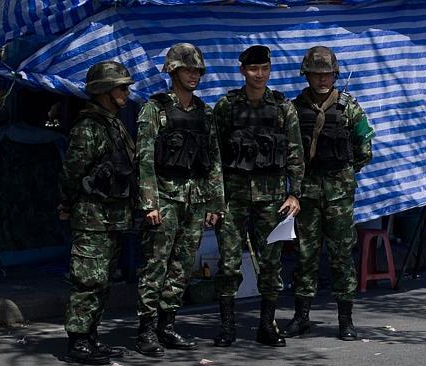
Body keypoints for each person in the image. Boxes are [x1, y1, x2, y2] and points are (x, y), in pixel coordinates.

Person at [134, 43, 225, 357]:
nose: (194, 75)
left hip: (195, 200)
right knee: (155, 265)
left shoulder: (204, 112)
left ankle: (167, 325)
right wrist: (150, 203)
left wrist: (215, 203)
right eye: (188, 69)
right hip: (165, 198)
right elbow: (144, 160)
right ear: (173, 71)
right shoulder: (154, 109)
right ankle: (146, 330)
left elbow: (213, 161)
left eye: (197, 70)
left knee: (182, 266)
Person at [212, 45, 305, 348]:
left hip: (272, 197)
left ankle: (267, 326)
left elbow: (295, 153)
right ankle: (227, 327)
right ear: (242, 70)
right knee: (228, 263)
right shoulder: (227, 106)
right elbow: (215, 155)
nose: (259, 75)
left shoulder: (282, 107)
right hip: (233, 197)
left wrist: (294, 194)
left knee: (271, 263)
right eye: (253, 69)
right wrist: (214, 198)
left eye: (264, 69)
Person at [280, 46, 374, 341]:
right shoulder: (293, 109)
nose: (323, 79)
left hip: (338, 194)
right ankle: (301, 317)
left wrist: (342, 175)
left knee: (341, 256)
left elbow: (364, 150)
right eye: (317, 74)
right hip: (305, 193)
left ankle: (345, 320)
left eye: (328, 74)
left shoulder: (350, 108)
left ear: (335, 74)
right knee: (305, 255)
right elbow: (288, 152)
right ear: (306, 74)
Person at [58, 61, 136, 365]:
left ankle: (90, 337)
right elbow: (72, 173)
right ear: (104, 90)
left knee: (103, 282)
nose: (126, 92)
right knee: (87, 281)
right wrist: (67, 204)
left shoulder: (113, 123)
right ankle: (78, 341)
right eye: (121, 87)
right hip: (92, 219)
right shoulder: (88, 127)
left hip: (113, 217)